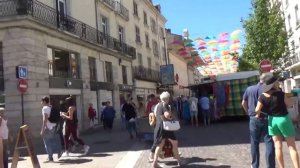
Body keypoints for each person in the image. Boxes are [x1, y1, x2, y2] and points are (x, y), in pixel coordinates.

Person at [255, 77, 299, 168]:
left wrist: (260, 114)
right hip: (283, 119)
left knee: (278, 147)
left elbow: (256, 110)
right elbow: (290, 104)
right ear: (274, 84)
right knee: (291, 147)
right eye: (277, 82)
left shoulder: (263, 95)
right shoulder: (281, 94)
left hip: (272, 120)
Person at [241, 74, 275, 168]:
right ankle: (271, 166)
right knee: (269, 142)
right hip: (267, 118)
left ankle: (255, 165)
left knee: (254, 143)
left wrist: (248, 112)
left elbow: (243, 103)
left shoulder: (249, 89)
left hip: (253, 119)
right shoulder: (269, 90)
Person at [152, 91, 184, 168]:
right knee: (174, 143)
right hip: (165, 128)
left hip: (159, 127)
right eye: (169, 98)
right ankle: (179, 161)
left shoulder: (158, 105)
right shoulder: (165, 104)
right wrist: (171, 115)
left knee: (160, 145)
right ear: (167, 98)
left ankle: (155, 163)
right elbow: (167, 115)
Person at [40, 96, 62, 162]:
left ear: (44, 101)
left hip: (48, 127)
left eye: (41, 101)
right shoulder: (51, 107)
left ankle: (50, 157)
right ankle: (59, 150)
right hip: (54, 126)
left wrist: (42, 129)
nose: (41, 103)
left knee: (47, 142)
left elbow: (45, 119)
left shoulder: (45, 108)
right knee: (52, 140)